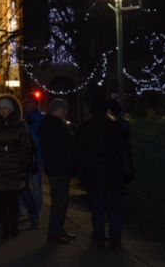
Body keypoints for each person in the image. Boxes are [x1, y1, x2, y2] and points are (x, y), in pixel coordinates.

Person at [74, 95, 127, 252]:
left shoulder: (85, 129)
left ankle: (100, 240)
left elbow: (78, 152)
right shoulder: (115, 127)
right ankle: (116, 240)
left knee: (97, 210)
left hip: (94, 176)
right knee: (114, 210)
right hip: (113, 175)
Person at [0, 94, 32, 239]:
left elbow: (25, 146)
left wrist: (23, 164)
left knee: (12, 199)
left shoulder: (20, 125)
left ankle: (14, 225)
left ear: (11, 110)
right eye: (0, 108)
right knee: (1, 201)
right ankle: (5, 228)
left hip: (14, 167)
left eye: (5, 108)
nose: (2, 111)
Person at [38, 98, 75, 245]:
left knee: (62, 200)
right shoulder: (52, 126)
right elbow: (59, 148)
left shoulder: (54, 125)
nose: (66, 112)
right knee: (59, 201)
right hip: (58, 168)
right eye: (63, 110)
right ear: (55, 111)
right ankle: (54, 232)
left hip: (59, 168)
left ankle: (59, 229)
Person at [20, 93, 44, 226]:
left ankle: (36, 210)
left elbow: (41, 137)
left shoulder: (40, 118)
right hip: (25, 156)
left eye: (28, 102)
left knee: (36, 186)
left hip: (37, 157)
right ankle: (25, 207)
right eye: (24, 102)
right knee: (23, 185)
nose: (25, 105)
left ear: (35, 104)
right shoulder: (22, 116)